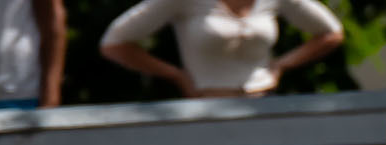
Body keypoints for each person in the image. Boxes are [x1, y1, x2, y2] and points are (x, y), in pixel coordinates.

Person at [100, 0, 346, 97]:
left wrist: (281, 65)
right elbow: (115, 43)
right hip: (207, 107)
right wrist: (176, 75)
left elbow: (331, 33)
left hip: (264, 106)